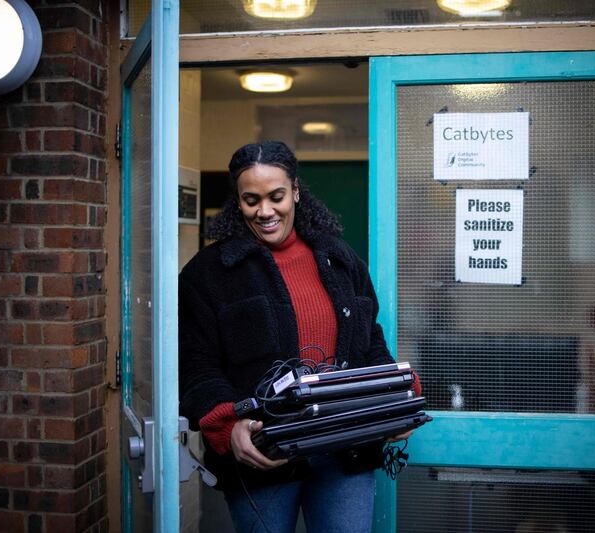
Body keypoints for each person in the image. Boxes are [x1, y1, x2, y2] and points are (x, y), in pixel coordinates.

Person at [178, 141, 418, 533]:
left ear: (296, 192)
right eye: (250, 200)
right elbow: (196, 363)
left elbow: (369, 343)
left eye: (276, 196)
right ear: (237, 202)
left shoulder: (340, 259)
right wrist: (227, 424)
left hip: (346, 450)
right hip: (264, 453)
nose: (265, 211)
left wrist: (396, 399)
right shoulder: (208, 274)